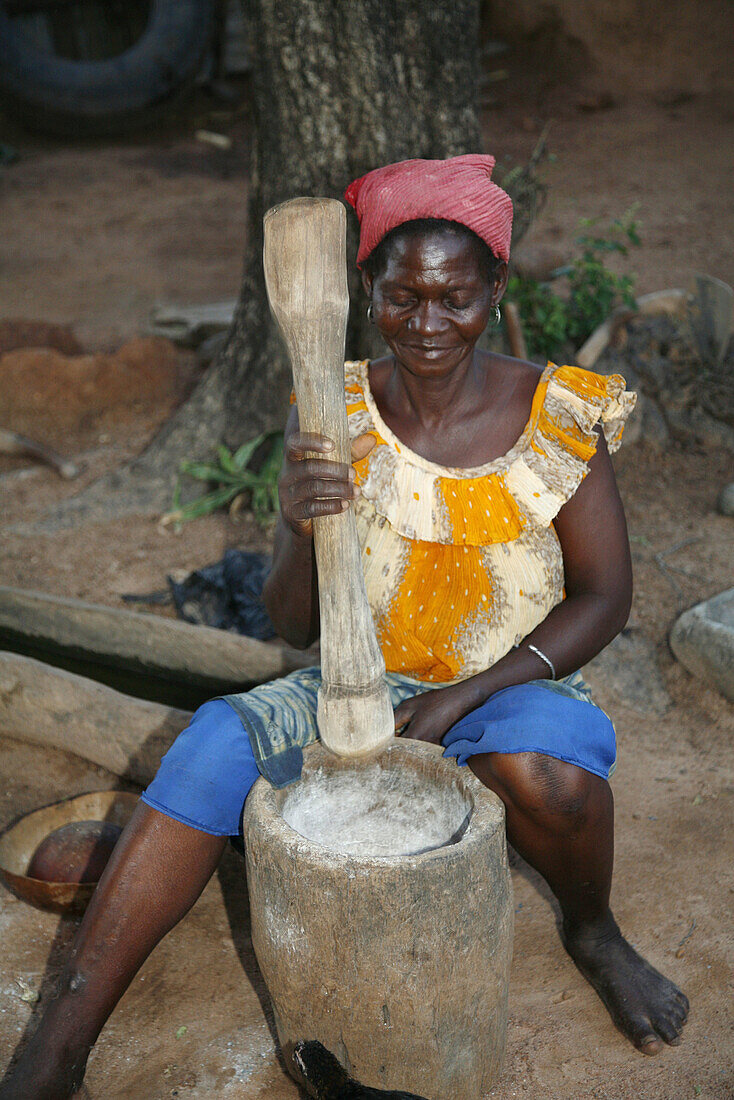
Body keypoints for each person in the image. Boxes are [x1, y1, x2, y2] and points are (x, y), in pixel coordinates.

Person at [0, 154, 688, 1100]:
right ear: (366, 292)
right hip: (359, 684)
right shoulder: (337, 413)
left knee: (552, 781)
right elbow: (293, 620)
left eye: (456, 296)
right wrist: (294, 520)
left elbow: (606, 598)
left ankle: (592, 929)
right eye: (403, 296)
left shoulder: (558, 413)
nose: (430, 322)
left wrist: (467, 695)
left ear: (495, 289)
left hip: (516, 681)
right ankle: (58, 1050)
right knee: (204, 750)